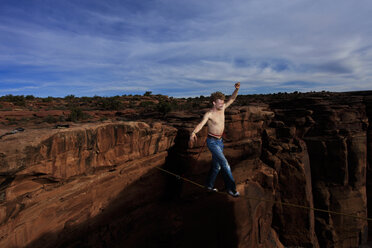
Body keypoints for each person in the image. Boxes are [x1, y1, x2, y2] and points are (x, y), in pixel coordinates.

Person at [189, 82, 241, 197]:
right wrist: (193, 133)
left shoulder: (222, 109)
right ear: (214, 102)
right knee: (225, 164)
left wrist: (237, 89)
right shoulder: (209, 114)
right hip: (212, 142)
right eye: (220, 102)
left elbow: (232, 99)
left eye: (223, 102)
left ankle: (208, 185)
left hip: (220, 141)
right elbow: (201, 124)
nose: (223, 104)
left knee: (216, 166)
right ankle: (231, 189)